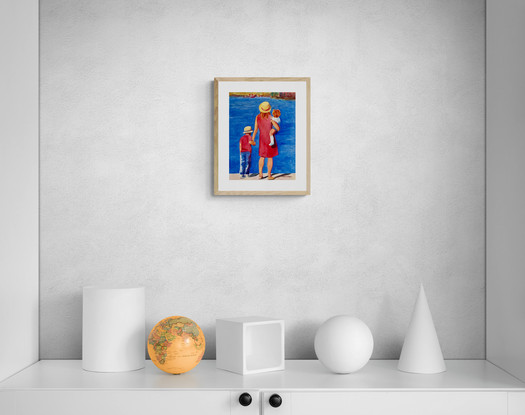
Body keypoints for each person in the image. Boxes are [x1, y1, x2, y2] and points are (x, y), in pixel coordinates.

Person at [252, 101, 280, 180]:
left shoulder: (257, 117)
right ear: (268, 110)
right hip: (270, 139)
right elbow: (278, 128)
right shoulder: (271, 118)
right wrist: (274, 130)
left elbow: (255, 130)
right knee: (270, 157)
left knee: (262, 157)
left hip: (262, 139)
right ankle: (269, 175)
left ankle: (260, 174)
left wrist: (253, 139)